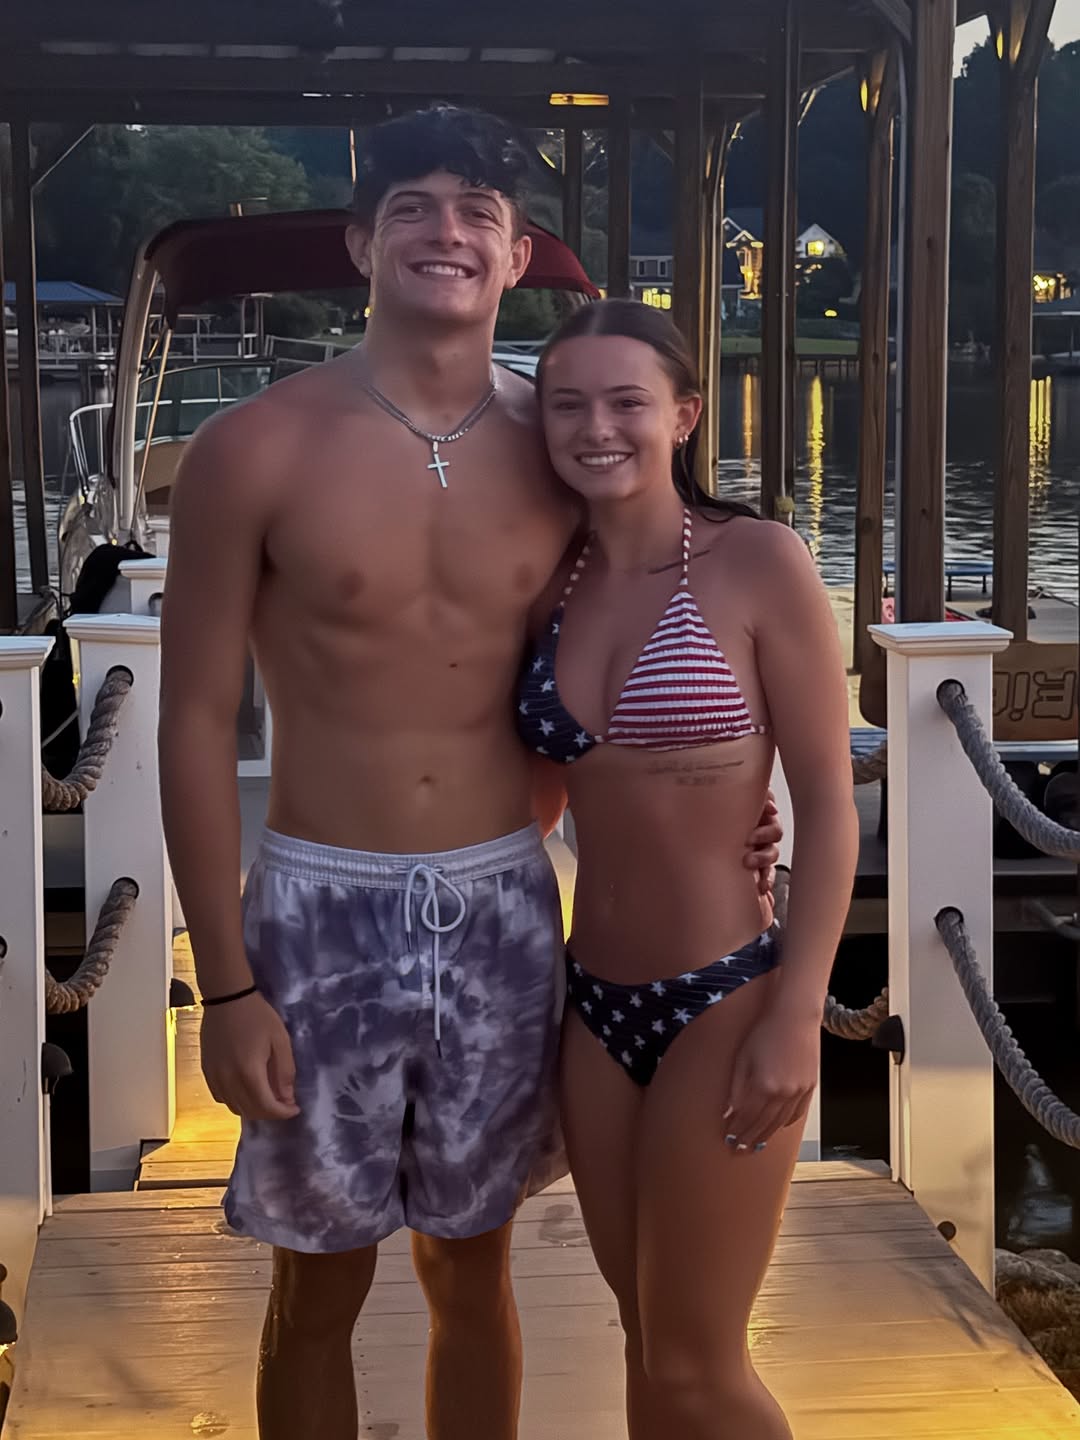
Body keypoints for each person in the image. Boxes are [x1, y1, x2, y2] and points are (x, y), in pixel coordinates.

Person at [158, 105, 782, 1440]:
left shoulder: (561, 454)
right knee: (316, 1287)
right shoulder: (254, 449)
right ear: (361, 245)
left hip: (503, 904)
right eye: (412, 208)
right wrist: (226, 984)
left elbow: (655, 633)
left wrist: (745, 812)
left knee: (472, 1268)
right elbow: (196, 722)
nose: (444, 233)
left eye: (476, 214)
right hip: (319, 907)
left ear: (516, 254)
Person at [518, 299, 859, 1440]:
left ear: (685, 415)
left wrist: (798, 1014)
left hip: (727, 997)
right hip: (592, 1009)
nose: (596, 427)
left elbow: (827, 805)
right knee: (644, 1341)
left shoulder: (757, 560)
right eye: (568, 404)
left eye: (628, 401)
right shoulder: (549, 583)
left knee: (697, 1363)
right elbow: (541, 790)